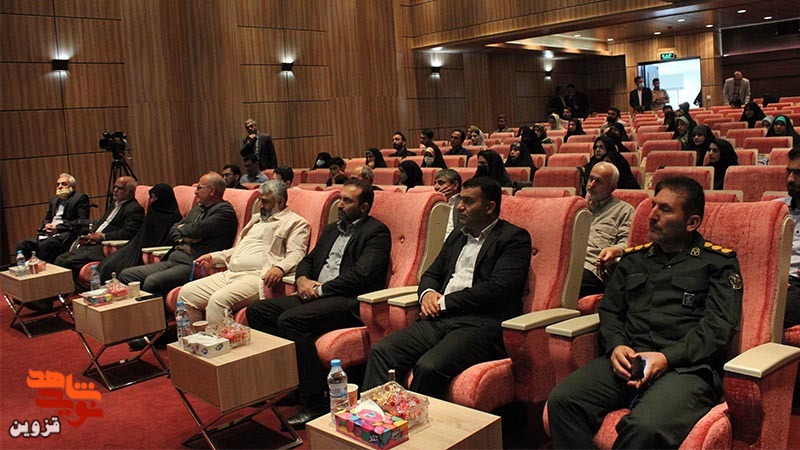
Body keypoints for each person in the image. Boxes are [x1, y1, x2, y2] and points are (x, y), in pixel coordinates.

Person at [547, 176, 743, 449]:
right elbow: (611, 310)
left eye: (665, 209)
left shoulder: (718, 263)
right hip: (630, 359)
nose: (652, 215)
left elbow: (717, 328)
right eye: (653, 206)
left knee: (644, 428)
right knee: (562, 401)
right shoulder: (633, 259)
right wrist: (616, 346)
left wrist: (666, 357)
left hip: (685, 369)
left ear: (691, 222)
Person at [363, 177, 532, 399]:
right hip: (439, 319)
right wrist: (428, 294)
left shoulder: (514, 238)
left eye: (468, 201)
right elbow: (431, 274)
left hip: (479, 324)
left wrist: (443, 303)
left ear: (490, 207)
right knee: (382, 351)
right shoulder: (457, 235)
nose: (459, 206)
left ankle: (416, 419)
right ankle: (376, 416)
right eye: (460, 200)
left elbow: (498, 289)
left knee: (429, 367)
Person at [246, 179, 391, 428]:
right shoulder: (332, 229)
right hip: (316, 294)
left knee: (290, 321)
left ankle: (316, 399)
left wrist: (320, 289)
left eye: (347, 201)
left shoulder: (376, 232)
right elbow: (309, 260)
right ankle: (291, 383)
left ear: (364, 207)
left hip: (348, 301)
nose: (340, 205)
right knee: (258, 311)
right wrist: (302, 279)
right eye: (340, 199)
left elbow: (363, 276)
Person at [179, 180, 310, 324]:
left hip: (256, 276)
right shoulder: (257, 220)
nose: (260, 206)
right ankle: (195, 338)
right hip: (231, 273)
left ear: (280, 202)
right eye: (259, 200)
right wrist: (214, 257)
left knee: (217, 301)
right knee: (186, 293)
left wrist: (280, 268)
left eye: (265, 201)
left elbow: (297, 254)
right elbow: (240, 250)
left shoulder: (295, 223)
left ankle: (218, 339)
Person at [118, 172, 237, 298]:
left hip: (193, 265)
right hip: (174, 259)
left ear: (212, 190)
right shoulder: (198, 208)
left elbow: (196, 229)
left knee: (152, 282)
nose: (195, 192)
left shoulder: (224, 212)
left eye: (199, 188)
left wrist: (184, 230)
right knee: (127, 275)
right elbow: (174, 228)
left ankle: (155, 310)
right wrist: (183, 238)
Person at [54, 177, 144, 278]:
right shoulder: (114, 204)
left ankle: (67, 287)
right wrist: (90, 235)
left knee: (68, 262)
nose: (115, 190)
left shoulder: (135, 209)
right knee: (60, 259)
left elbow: (128, 233)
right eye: (114, 187)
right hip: (92, 243)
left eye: (120, 188)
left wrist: (103, 236)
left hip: (106, 247)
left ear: (130, 191)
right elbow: (102, 222)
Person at [96, 183, 182, 283]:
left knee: (118, 270)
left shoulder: (174, 218)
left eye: (155, 198)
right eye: (151, 197)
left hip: (148, 253)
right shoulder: (153, 212)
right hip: (135, 247)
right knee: (107, 265)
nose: (152, 201)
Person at [579, 162, 634, 299]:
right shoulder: (577, 207)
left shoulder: (624, 210)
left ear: (612, 187)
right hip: (565, 263)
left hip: (592, 268)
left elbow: (628, 242)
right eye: (591, 179)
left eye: (598, 182)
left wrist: (615, 250)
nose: (591, 185)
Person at [17, 173, 90, 263]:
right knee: (23, 244)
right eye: (58, 184)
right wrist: (46, 224)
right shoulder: (54, 199)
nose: (60, 186)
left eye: (64, 184)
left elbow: (82, 221)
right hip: (49, 233)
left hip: (66, 233)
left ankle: (43, 269)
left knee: (44, 245)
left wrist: (58, 228)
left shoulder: (80, 198)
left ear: (72, 186)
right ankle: (27, 269)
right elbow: (47, 218)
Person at [779, 149, 800, 327]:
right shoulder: (776, 210)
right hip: (774, 280)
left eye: (798, 173)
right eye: (789, 172)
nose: (790, 179)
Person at [433, 169, 462, 238]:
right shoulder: (433, 202)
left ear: (455, 185)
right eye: (435, 183)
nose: (436, 187)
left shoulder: (463, 203)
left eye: (441, 183)